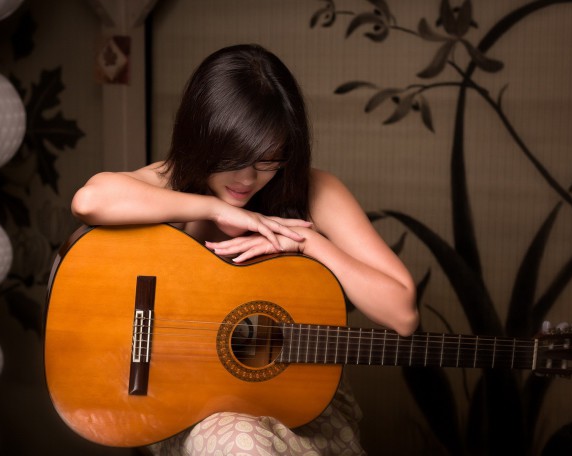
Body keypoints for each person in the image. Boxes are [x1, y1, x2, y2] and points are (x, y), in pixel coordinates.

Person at [71, 44, 418, 456]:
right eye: (234, 157)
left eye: (269, 159)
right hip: (190, 404)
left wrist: (308, 242)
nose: (249, 178)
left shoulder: (316, 191)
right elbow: (89, 201)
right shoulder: (174, 182)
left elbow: (403, 313)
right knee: (240, 442)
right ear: (204, 137)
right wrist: (215, 208)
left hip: (300, 408)